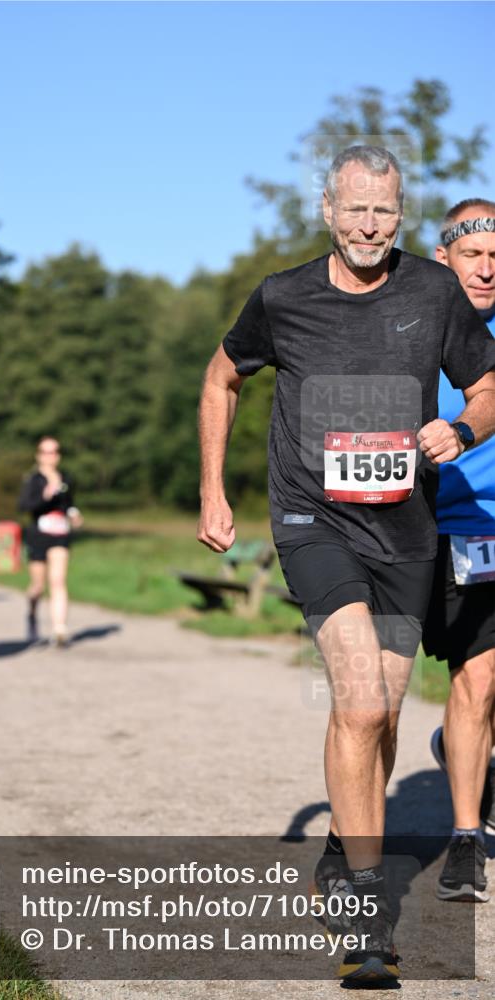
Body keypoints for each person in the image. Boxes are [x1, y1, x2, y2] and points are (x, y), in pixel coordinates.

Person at [197, 146, 495, 984]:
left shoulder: (433, 292)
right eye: (354, 209)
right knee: (360, 703)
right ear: (327, 208)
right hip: (313, 522)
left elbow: (487, 386)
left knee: (380, 718)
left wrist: (462, 429)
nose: (368, 226)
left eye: (383, 212)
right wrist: (211, 489)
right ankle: (367, 910)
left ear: (400, 215)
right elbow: (221, 380)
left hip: (404, 533)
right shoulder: (281, 297)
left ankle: (340, 845)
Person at [421, 200, 495, 902]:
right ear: (442, 257)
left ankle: (466, 833)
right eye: (472, 253)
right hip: (413, 528)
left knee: (481, 679)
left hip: (489, 528)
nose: (486, 267)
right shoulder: (408, 322)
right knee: (377, 691)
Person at [18, 436, 82, 646]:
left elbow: (69, 503)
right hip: (38, 535)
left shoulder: (66, 479)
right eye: (46, 452)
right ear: (39, 455)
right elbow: (24, 506)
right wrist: (45, 495)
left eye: (54, 452)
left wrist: (73, 513)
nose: (50, 456)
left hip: (60, 534)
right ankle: (32, 612)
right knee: (38, 586)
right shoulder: (33, 479)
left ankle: (59, 629)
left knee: (58, 580)